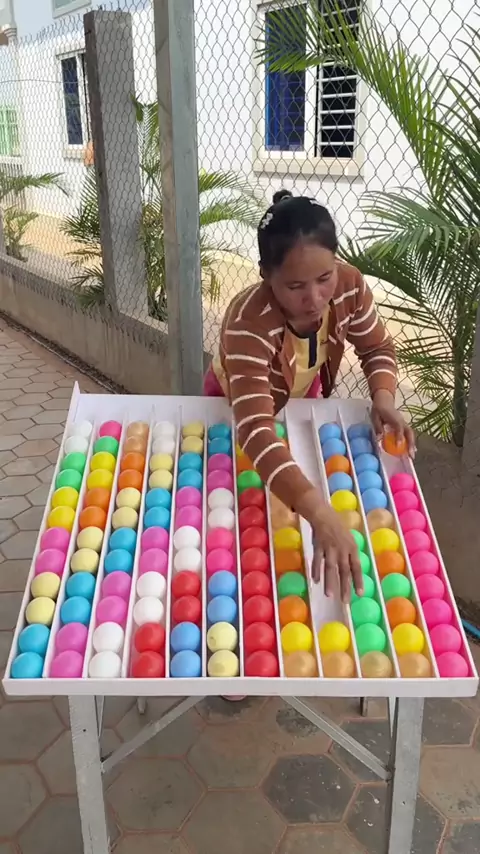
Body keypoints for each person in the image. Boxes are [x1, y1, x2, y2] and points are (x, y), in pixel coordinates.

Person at [205, 190, 414, 601]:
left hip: (303, 394)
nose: (315, 299)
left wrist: (383, 398)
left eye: (324, 278)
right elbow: (256, 430)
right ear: (266, 275)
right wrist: (318, 512)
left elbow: (376, 348)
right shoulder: (249, 322)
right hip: (237, 399)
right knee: (235, 490)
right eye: (295, 286)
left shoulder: (349, 287)